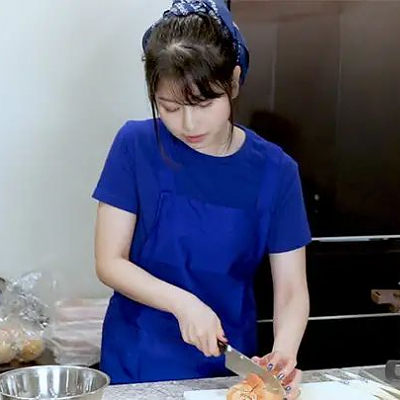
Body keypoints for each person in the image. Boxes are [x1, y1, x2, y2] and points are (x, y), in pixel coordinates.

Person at [92, 1, 311, 398]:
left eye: (204, 104)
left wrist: (283, 353)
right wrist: (183, 304)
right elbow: (110, 261)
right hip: (138, 361)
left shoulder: (276, 172)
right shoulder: (135, 145)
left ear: (234, 82)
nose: (188, 124)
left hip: (226, 367)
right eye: (170, 107)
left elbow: (292, 288)